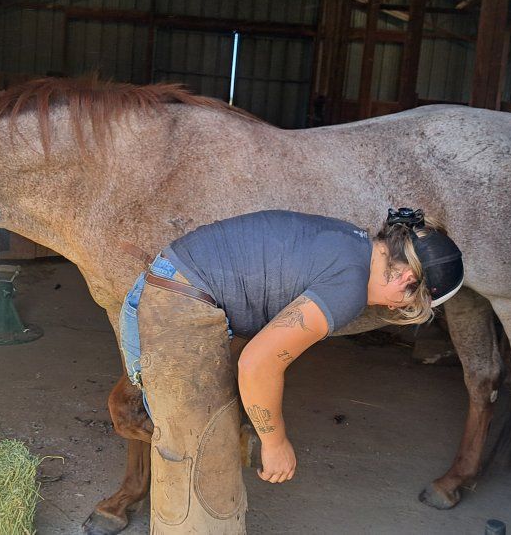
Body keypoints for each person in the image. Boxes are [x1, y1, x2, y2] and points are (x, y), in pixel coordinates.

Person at [117, 208, 465, 533]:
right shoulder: (349, 287)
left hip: (177, 280)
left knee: (207, 431)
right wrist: (275, 442)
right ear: (406, 277)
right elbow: (258, 363)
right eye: (406, 302)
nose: (394, 307)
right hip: (179, 299)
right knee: (197, 457)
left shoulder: (353, 243)